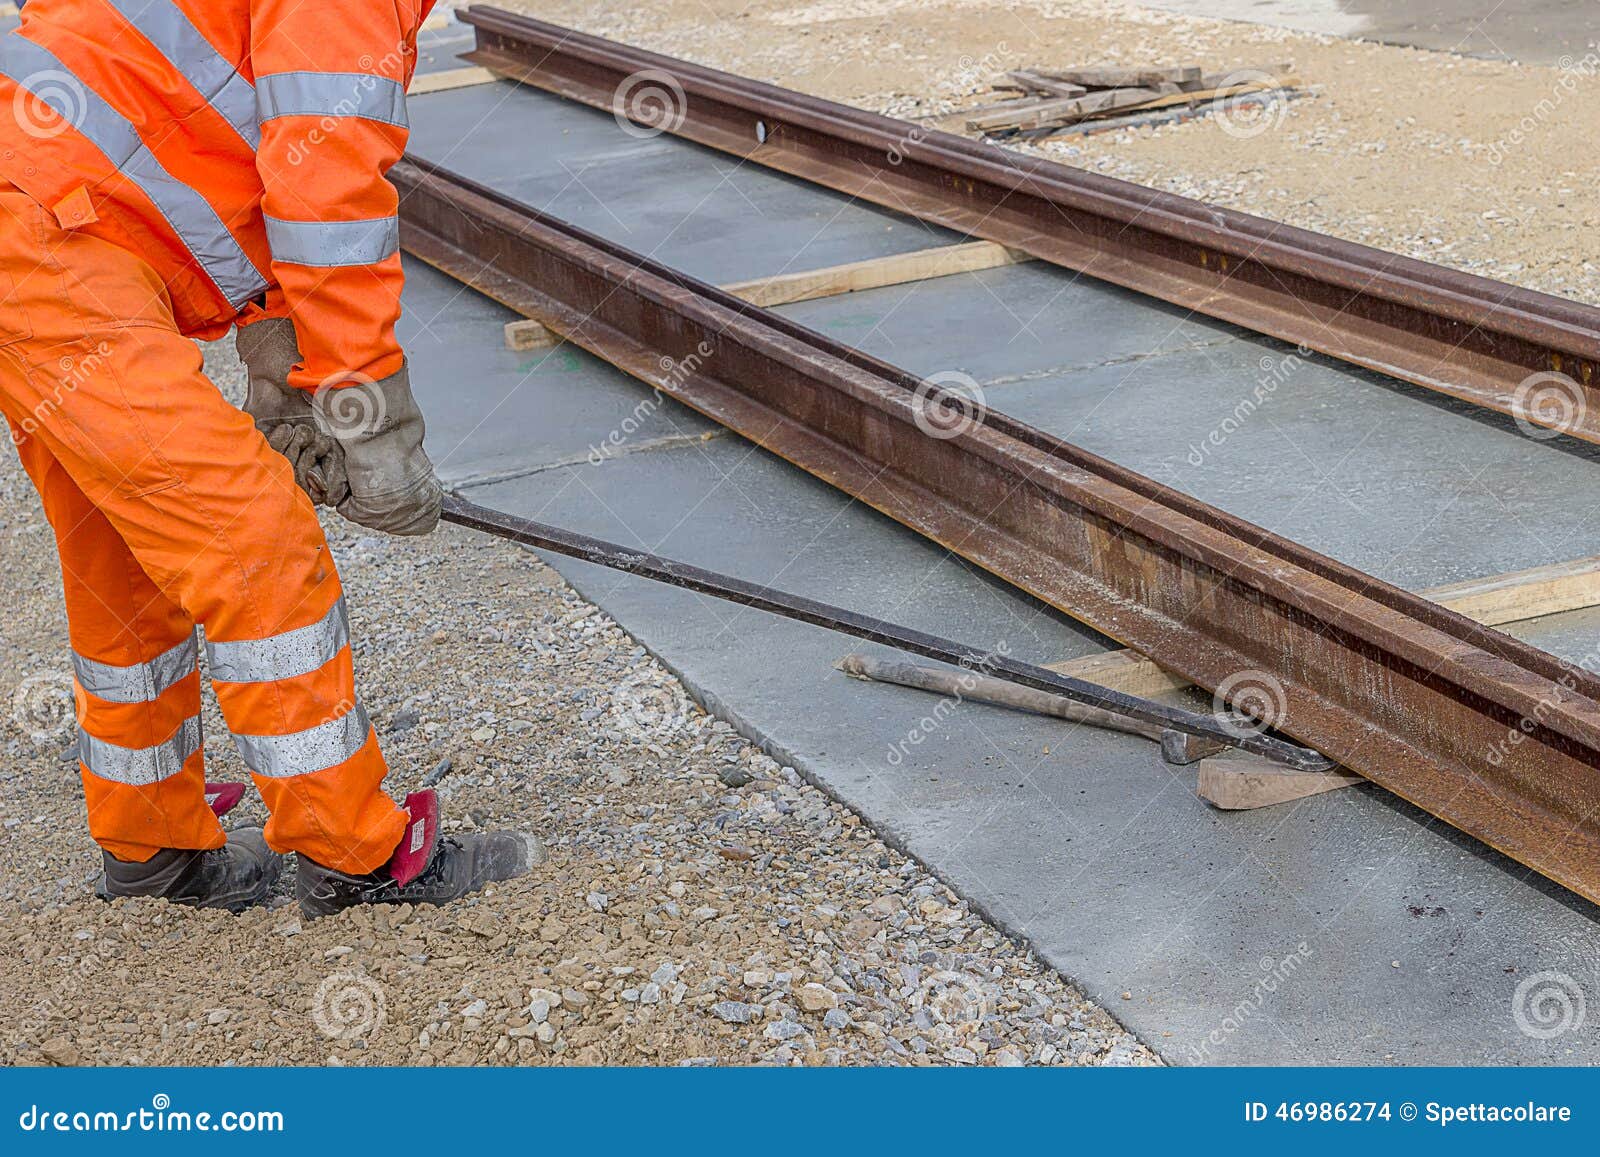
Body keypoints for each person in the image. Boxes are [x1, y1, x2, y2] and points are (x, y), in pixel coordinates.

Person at [0, 0, 542, 915]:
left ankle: (153, 848)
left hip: (47, 227)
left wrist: (275, 344)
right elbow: (324, 198)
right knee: (257, 543)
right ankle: (352, 854)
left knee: (125, 556)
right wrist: (368, 416)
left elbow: (213, 135)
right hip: (56, 244)